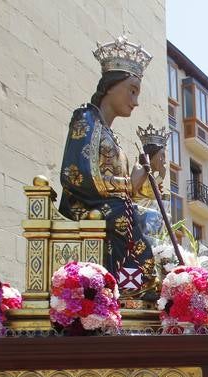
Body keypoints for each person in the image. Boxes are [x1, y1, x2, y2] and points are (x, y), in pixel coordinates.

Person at [59, 35, 165, 300]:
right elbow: (75, 174)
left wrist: (143, 180)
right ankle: (131, 287)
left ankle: (137, 284)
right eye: (132, 90)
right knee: (124, 215)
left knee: (149, 217)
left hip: (108, 208)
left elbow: (125, 190)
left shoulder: (112, 137)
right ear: (111, 86)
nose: (135, 101)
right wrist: (129, 184)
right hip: (85, 208)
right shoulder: (85, 119)